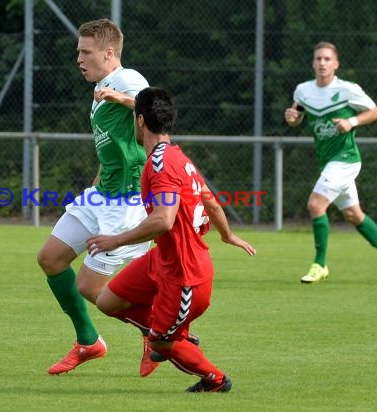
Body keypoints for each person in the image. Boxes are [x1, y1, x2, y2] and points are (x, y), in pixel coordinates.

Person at [86, 87, 256, 392]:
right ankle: (177, 332)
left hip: (184, 274)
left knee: (162, 343)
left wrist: (116, 240)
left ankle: (215, 380)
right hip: (162, 259)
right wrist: (227, 235)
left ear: (139, 121)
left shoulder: (161, 164)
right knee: (108, 300)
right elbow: (212, 202)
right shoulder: (178, 157)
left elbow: (163, 220)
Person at [37, 19, 151, 375]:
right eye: (78, 52)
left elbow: (154, 107)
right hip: (101, 194)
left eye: (85, 52)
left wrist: (121, 97)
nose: (79, 59)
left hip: (126, 201)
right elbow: (112, 149)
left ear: (109, 53)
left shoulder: (126, 79)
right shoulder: (102, 87)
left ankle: (157, 330)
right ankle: (88, 342)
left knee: (91, 286)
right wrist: (95, 186)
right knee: (51, 258)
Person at [284, 41, 377, 285]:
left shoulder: (348, 89)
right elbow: (297, 117)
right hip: (328, 161)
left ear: (336, 64)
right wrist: (292, 118)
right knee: (352, 214)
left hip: (346, 159)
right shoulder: (303, 91)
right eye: (318, 59)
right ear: (313, 63)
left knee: (316, 205)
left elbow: (374, 111)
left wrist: (352, 122)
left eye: (327, 59)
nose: (322, 63)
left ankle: (320, 264)